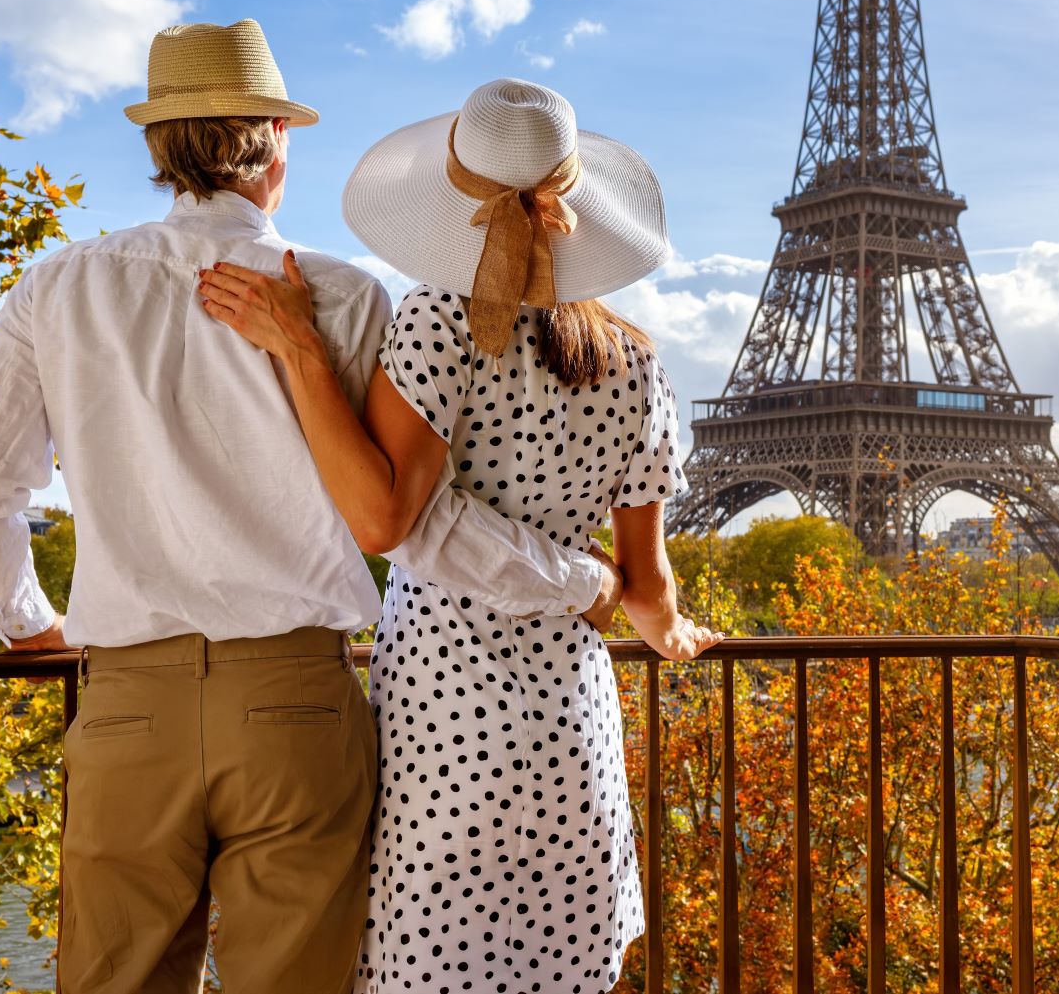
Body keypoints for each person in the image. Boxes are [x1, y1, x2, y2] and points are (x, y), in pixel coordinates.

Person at [0, 25, 620, 994]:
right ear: (274, 143)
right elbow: (412, 517)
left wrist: (28, 624)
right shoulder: (342, 294)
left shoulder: (59, 289)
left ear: (160, 149)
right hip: (298, 701)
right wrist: (588, 580)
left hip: (130, 701)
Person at [195, 76, 721, 993]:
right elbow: (647, 590)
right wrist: (671, 633)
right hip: (570, 730)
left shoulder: (440, 322)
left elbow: (388, 516)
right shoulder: (639, 362)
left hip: (444, 721)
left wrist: (302, 354)